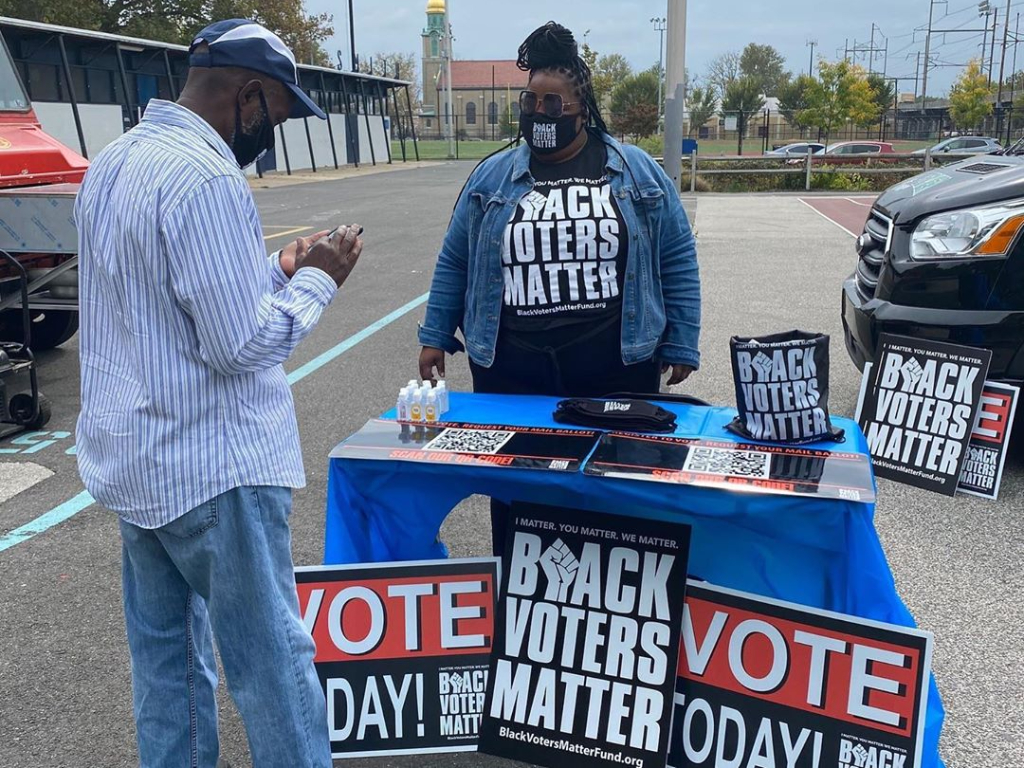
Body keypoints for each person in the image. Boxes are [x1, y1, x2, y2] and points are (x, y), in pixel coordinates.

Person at [74, 20, 361, 768]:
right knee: (272, 668)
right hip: (215, 471)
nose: (277, 131)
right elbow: (241, 345)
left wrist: (275, 271)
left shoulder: (114, 162)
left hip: (140, 468)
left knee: (168, 669)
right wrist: (319, 279)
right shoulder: (207, 178)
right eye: (282, 114)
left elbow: (170, 307)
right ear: (249, 94)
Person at [417, 22, 700, 551]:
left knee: (616, 493)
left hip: (614, 363)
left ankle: (613, 604)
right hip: (512, 366)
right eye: (531, 101)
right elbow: (456, 257)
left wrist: (682, 338)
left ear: (581, 108)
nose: (539, 114)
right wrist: (435, 333)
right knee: (521, 495)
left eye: (554, 104)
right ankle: (525, 605)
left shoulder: (633, 170)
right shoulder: (492, 177)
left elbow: (676, 254)